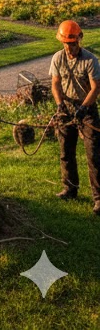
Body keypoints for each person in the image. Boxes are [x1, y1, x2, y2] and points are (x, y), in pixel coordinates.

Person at [50, 18, 100, 213]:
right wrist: (59, 104)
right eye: (66, 43)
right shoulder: (57, 58)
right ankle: (70, 188)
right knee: (65, 152)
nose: (70, 47)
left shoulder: (90, 60)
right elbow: (55, 83)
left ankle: (98, 198)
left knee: (94, 154)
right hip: (66, 108)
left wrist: (84, 108)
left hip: (86, 109)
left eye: (73, 43)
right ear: (62, 42)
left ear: (79, 40)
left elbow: (96, 88)